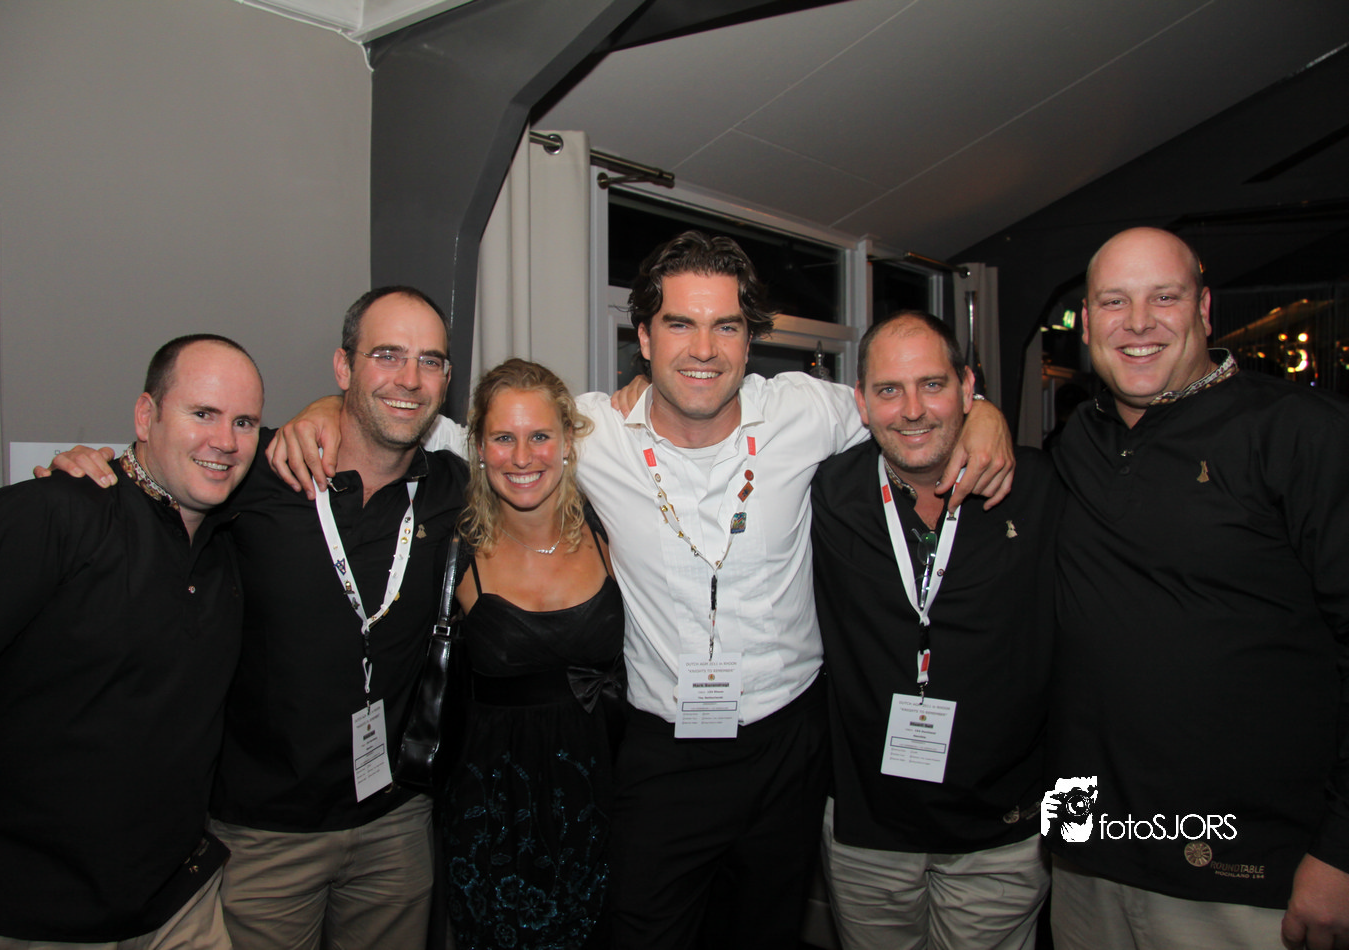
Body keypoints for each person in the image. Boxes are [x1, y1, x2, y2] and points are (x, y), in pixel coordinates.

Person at [269, 231, 1016, 950]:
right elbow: (438, 430)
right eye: (680, 324)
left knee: (762, 935)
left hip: (789, 745)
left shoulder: (804, 410)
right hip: (662, 754)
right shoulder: (591, 432)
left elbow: (908, 409)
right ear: (646, 338)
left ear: (748, 339)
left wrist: (982, 415)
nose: (703, 349)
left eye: (726, 326)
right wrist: (324, 411)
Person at [40, 288, 467, 950]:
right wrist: (87, 474)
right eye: (386, 355)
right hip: (262, 836)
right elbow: (157, 481)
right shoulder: (257, 469)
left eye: (430, 361)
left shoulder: (452, 488)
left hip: (395, 827)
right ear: (343, 367)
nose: (409, 378)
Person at [1046, 227, 1349, 950]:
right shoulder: (1078, 441)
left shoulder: (1302, 433)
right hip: (1086, 853)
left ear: (1204, 309)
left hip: (1246, 872)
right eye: (1113, 302)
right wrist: (980, 420)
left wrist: (1341, 851)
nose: (1138, 322)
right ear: (1085, 324)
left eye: (1164, 297)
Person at [0, 335, 264, 950]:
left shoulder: (228, 546)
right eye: (202, 413)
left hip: (179, 907)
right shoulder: (45, 516)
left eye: (245, 422)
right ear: (145, 415)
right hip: (29, 919)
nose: (226, 440)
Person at [810, 311, 1061, 950]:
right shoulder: (828, 493)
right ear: (861, 403)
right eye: (889, 390)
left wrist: (1071, 823)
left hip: (1005, 831)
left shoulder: (1040, 490)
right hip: (868, 830)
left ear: (967, 386)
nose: (913, 410)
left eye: (932, 384)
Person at [441, 358, 625, 950]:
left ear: (568, 441)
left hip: (603, 801)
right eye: (503, 438)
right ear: (479, 447)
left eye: (540, 435)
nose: (522, 457)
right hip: (493, 814)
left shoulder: (610, 529)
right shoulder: (455, 547)